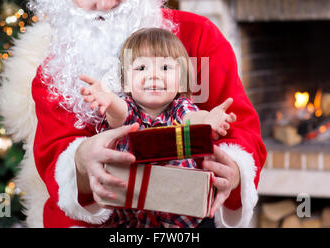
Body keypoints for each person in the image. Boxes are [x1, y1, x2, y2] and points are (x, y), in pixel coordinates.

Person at [0, 0, 267, 228]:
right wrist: (83, 160)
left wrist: (236, 170)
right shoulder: (57, 68)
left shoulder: (198, 35)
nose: (105, 2)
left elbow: (241, 124)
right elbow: (53, 153)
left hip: (187, 217)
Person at [79, 27, 236, 227]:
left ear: (181, 81)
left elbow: (193, 117)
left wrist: (209, 120)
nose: (153, 76)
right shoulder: (128, 109)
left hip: (183, 218)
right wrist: (108, 99)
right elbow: (119, 113)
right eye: (142, 68)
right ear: (126, 80)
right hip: (132, 219)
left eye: (165, 68)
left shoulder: (179, 108)